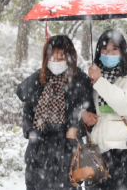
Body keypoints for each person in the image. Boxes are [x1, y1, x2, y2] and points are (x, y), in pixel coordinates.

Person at [17, 35, 93, 190]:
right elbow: (27, 112)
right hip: (39, 149)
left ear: (70, 57)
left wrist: (76, 128)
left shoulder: (81, 81)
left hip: (68, 148)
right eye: (52, 56)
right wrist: (30, 131)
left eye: (62, 57)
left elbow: (90, 116)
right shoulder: (37, 80)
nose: (56, 61)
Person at [81, 29, 127, 190]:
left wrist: (99, 81)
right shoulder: (93, 76)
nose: (109, 53)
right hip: (97, 149)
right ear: (99, 51)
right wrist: (82, 114)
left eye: (114, 49)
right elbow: (81, 104)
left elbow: (123, 103)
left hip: (123, 150)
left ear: (122, 51)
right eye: (105, 50)